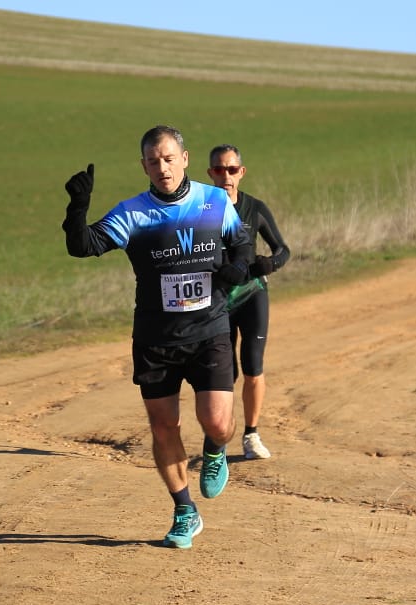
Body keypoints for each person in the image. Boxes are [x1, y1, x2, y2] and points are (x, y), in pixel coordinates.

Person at [62, 126, 275, 549]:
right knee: (164, 427)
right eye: (153, 161)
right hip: (156, 337)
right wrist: (77, 208)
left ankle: (215, 449)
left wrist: (239, 266)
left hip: (210, 328)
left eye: (168, 158)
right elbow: (82, 246)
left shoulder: (213, 200)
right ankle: (184, 510)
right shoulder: (132, 213)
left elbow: (242, 241)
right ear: (144, 166)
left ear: (185, 159)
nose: (162, 167)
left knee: (217, 422)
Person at [206, 144, 292, 461]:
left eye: (231, 169)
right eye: (218, 169)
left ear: (241, 172)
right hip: (216, 301)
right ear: (210, 174)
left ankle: (251, 435)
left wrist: (269, 265)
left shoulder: (254, 209)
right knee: (223, 374)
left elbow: (283, 248)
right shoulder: (200, 210)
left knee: (254, 368)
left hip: (252, 295)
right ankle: (219, 435)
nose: (225, 175)